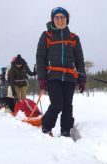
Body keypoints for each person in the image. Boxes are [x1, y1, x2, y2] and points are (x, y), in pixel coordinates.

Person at [36, 6, 87, 137]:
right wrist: (42, 78)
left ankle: (66, 130)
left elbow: (79, 60)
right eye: (57, 17)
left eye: (62, 17)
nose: (60, 20)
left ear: (67, 19)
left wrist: (82, 78)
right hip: (53, 76)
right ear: (53, 19)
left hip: (70, 77)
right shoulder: (46, 36)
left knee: (67, 106)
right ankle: (46, 126)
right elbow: (40, 58)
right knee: (57, 104)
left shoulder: (74, 38)